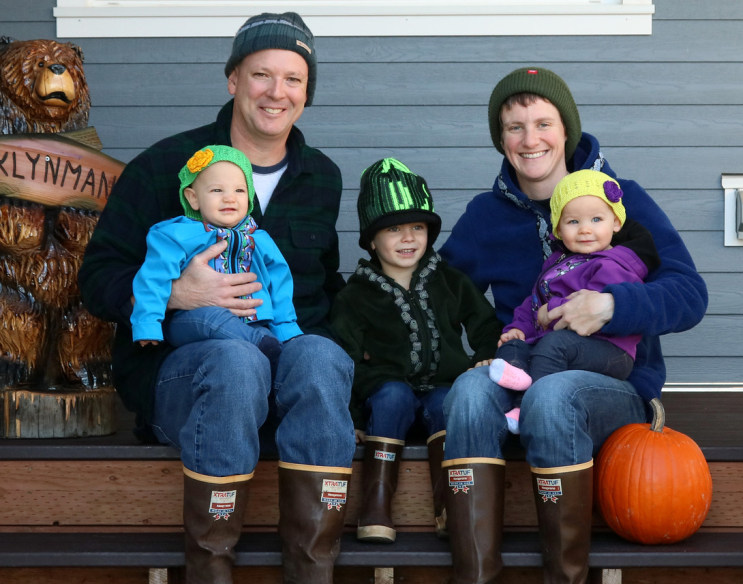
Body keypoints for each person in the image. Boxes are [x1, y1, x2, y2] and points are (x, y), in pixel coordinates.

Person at [78, 12, 355, 584]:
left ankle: (313, 567)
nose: (276, 92)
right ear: (233, 80)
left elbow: (324, 287)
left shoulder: (321, 176)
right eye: (261, 74)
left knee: (325, 354)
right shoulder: (163, 167)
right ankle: (210, 568)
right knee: (235, 358)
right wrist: (176, 294)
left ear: (307, 92)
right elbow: (96, 276)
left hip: (283, 382)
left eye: (294, 79)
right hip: (186, 375)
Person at [438, 67, 708, 583]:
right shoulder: (485, 216)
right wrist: (484, 345)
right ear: (501, 138)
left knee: (553, 394)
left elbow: (690, 295)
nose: (530, 139)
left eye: (544, 123)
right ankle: (474, 574)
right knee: (471, 390)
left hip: (610, 383)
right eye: (514, 127)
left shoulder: (621, 200)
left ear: (568, 131)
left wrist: (611, 306)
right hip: (520, 373)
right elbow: (442, 294)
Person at [331, 158, 501, 544]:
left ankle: (448, 508)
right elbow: (347, 358)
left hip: (441, 383)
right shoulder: (355, 295)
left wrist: (486, 356)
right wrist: (354, 416)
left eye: (417, 228)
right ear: (372, 240)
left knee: (448, 404)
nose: (408, 238)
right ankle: (375, 506)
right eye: (394, 229)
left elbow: (485, 322)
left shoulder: (449, 280)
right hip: (385, 390)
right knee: (392, 396)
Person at [489, 169, 660, 435]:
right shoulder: (558, 264)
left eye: (596, 219)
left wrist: (552, 313)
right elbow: (534, 302)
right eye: (573, 222)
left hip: (610, 350)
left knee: (553, 344)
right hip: (566, 345)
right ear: (558, 228)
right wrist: (519, 328)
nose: (585, 230)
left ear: (615, 223)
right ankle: (518, 374)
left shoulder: (614, 264)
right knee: (514, 344)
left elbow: (586, 304)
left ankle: (527, 409)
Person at [131, 144, 302, 372]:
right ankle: (262, 347)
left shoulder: (259, 239)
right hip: (192, 321)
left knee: (264, 335)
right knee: (210, 319)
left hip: (253, 323)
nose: (229, 198)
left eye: (239, 191)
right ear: (193, 198)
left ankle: (267, 351)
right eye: (217, 191)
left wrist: (285, 328)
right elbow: (153, 278)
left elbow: (279, 285)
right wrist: (147, 323)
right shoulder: (176, 235)